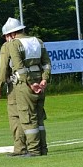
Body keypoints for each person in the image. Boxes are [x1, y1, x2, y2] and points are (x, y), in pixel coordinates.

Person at [4, 19, 51, 156]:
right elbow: (47, 63)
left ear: (12, 34)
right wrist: (44, 79)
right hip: (40, 82)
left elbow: (19, 67)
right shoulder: (38, 41)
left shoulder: (14, 44)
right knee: (39, 118)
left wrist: (30, 83)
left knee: (28, 117)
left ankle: (34, 150)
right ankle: (43, 148)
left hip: (25, 84)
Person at [0, 18, 28, 156]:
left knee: (15, 116)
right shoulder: (34, 41)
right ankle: (37, 146)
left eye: (5, 36)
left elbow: (3, 68)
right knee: (32, 115)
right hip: (34, 83)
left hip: (16, 85)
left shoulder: (8, 46)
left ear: (10, 34)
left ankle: (20, 148)